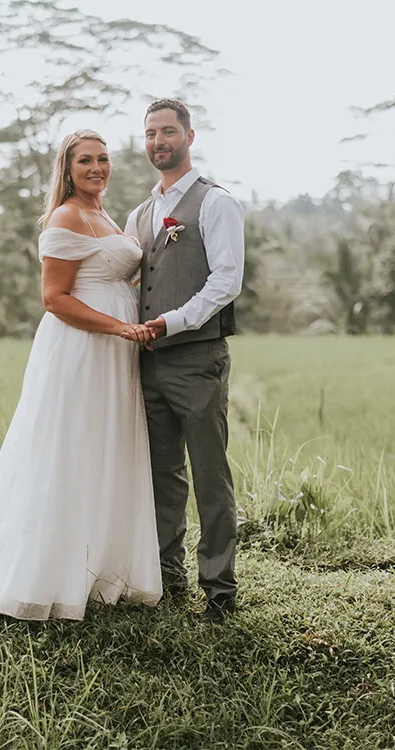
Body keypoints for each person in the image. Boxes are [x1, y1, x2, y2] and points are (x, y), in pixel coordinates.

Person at [0, 130, 163, 623]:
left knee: (104, 448)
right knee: (69, 450)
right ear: (66, 170)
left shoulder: (106, 215)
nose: (96, 167)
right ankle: (48, 572)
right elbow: (55, 299)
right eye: (85, 160)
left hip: (116, 352)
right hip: (83, 349)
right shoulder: (67, 215)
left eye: (103, 159)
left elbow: (113, 274)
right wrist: (121, 327)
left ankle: (99, 566)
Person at [124, 99, 245, 624]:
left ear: (189, 137)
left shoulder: (215, 203)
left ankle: (218, 590)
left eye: (168, 131)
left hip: (197, 359)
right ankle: (167, 581)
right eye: (151, 133)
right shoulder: (139, 214)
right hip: (147, 365)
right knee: (160, 475)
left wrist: (171, 322)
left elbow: (226, 280)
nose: (158, 141)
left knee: (210, 476)